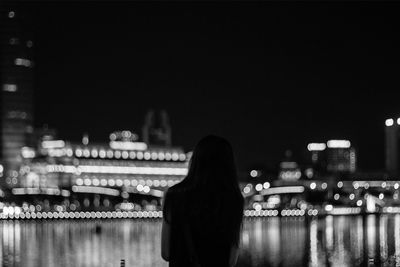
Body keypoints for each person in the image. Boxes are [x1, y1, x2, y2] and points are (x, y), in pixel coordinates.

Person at [161, 135, 244, 267]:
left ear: (195, 161)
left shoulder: (173, 195)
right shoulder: (234, 198)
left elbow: (166, 253)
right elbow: (231, 261)